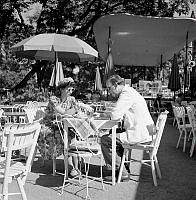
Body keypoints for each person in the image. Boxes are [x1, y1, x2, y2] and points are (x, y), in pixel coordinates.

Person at [101, 75, 155, 181]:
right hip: (148, 131)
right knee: (117, 132)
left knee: (105, 139)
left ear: (116, 85)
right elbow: (120, 113)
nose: (109, 91)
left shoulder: (126, 94)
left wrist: (103, 115)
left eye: (109, 88)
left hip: (141, 133)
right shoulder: (130, 91)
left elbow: (115, 115)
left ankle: (122, 172)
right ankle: (121, 167)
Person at [51, 77, 93, 177]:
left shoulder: (72, 99)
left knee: (77, 132)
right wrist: (77, 108)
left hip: (67, 125)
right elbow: (64, 113)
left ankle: (76, 164)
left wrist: (80, 111)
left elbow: (77, 113)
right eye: (68, 89)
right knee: (72, 136)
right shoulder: (54, 99)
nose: (70, 91)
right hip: (53, 125)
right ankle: (74, 166)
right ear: (61, 89)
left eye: (71, 89)